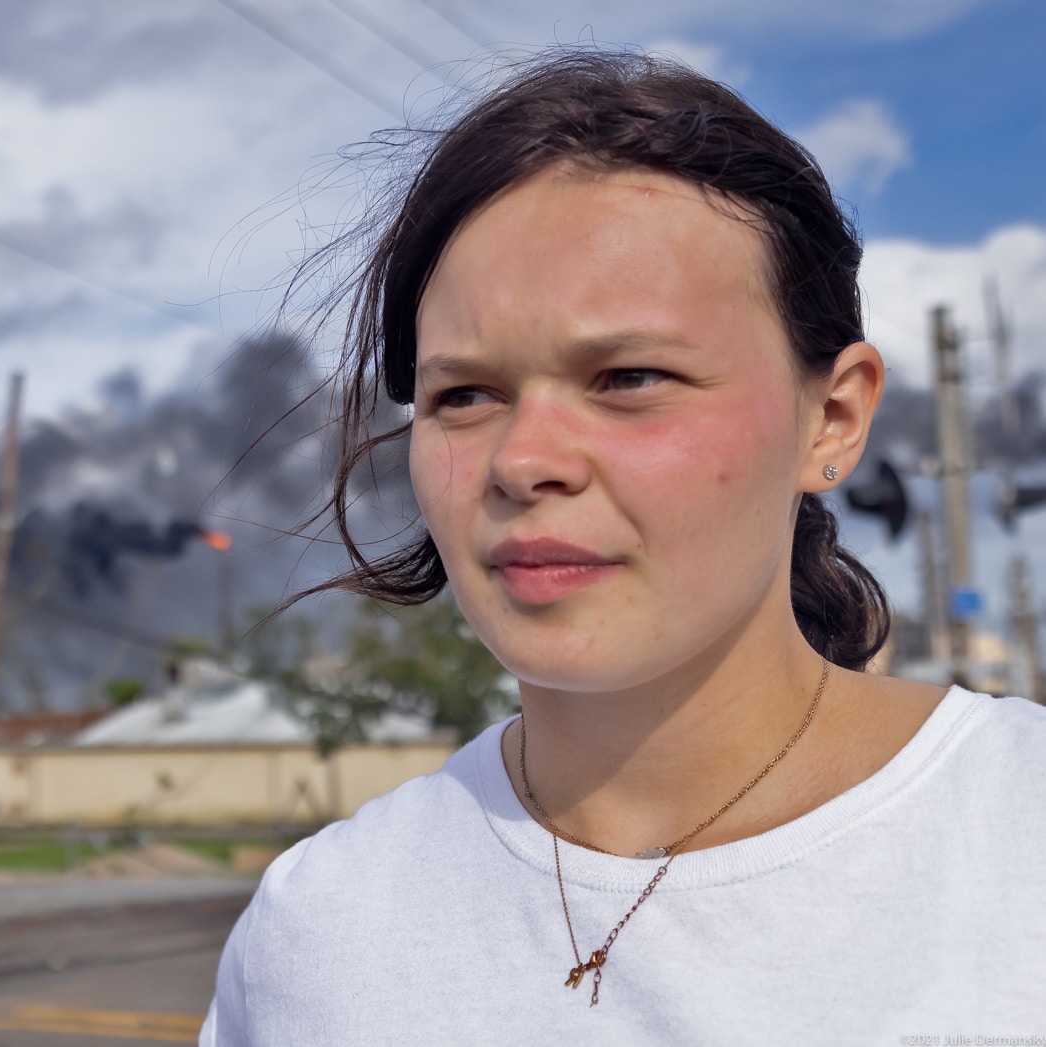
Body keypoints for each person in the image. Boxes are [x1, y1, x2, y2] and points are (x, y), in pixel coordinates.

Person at [200, 50, 1046, 1044]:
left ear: (833, 416)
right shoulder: (318, 925)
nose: (525, 460)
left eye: (629, 377)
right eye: (464, 395)